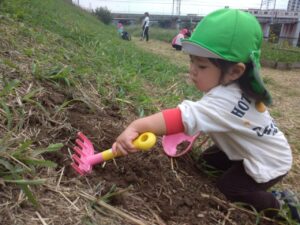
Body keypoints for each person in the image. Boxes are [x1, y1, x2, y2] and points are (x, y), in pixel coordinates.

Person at [112, 8, 298, 222]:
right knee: (205, 163)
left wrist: (136, 126)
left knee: (229, 189)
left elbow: (179, 118)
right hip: (249, 147)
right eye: (192, 61)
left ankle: (280, 204)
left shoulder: (226, 100)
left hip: (269, 161)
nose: (192, 70)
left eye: (201, 65)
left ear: (235, 71)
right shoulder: (238, 87)